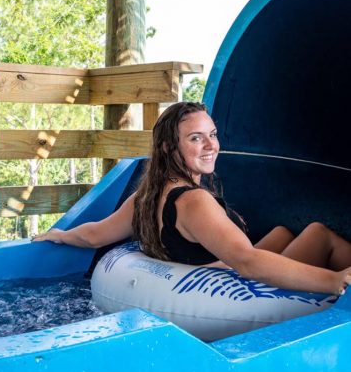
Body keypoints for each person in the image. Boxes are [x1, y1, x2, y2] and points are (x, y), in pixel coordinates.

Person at [33, 102, 351, 296]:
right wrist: (334, 281)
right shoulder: (192, 202)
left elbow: (94, 234)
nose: (211, 145)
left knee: (282, 232)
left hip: (208, 267)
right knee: (318, 234)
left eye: (212, 134)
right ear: (171, 148)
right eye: (196, 138)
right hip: (234, 286)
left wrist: (59, 234)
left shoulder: (146, 196)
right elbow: (248, 262)